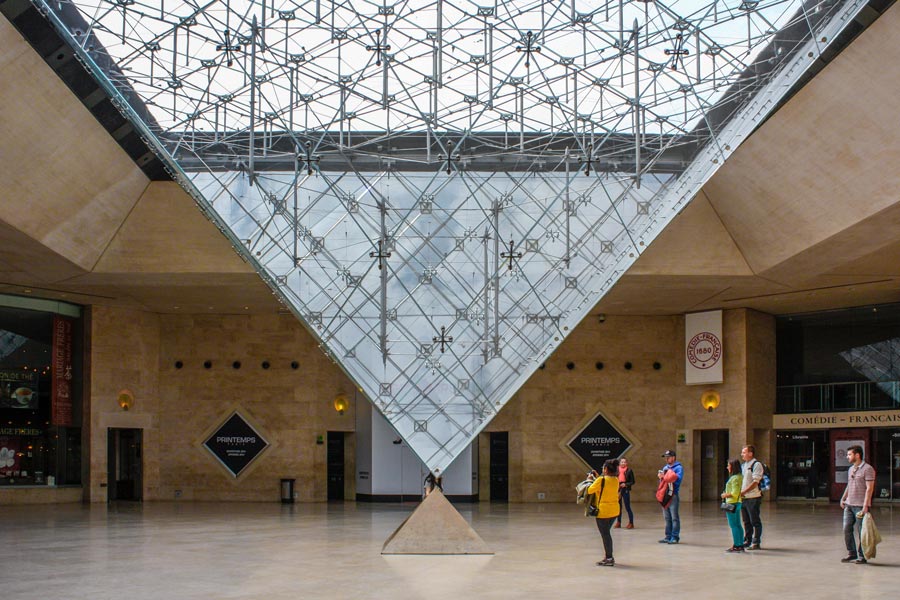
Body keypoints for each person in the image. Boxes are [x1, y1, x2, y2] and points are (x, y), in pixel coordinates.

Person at [839, 445, 875, 564]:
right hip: (849, 505)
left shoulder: (868, 469)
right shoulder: (851, 469)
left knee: (861, 532)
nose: (847, 456)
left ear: (857, 455)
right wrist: (843, 498)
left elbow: (869, 489)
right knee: (846, 529)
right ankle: (851, 552)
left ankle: (862, 555)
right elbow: (849, 485)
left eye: (849, 454)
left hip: (860, 506)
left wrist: (865, 506)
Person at [587, 459, 621, 566]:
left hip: (603, 511)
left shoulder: (601, 480)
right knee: (607, 532)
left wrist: (589, 480)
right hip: (614, 510)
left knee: (605, 534)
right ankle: (608, 557)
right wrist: (597, 477)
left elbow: (589, 490)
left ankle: (609, 558)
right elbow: (605, 485)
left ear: (605, 469)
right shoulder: (615, 480)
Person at [740, 445, 764, 550]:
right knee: (746, 521)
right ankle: (747, 540)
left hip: (753, 497)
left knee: (754, 520)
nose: (742, 454)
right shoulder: (744, 465)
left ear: (751, 453)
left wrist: (744, 491)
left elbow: (755, 481)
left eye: (744, 452)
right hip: (744, 498)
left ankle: (756, 542)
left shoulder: (756, 464)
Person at [658, 450, 683, 544]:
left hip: (673, 494)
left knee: (674, 517)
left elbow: (676, 480)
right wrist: (661, 478)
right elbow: (664, 481)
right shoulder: (665, 467)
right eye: (666, 457)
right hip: (665, 494)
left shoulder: (678, 468)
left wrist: (665, 477)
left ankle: (675, 536)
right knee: (667, 517)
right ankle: (668, 536)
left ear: (673, 457)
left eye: (668, 457)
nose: (667, 459)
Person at [721, 458, 745, 553]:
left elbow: (734, 493)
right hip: (738, 502)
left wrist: (725, 494)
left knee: (733, 525)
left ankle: (736, 545)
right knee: (738, 524)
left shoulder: (734, 478)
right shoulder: (740, 476)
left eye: (728, 465)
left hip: (731, 503)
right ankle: (740, 544)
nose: (727, 467)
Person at [615, 457, 635, 529]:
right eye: (622, 462)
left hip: (625, 488)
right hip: (618, 488)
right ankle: (618, 522)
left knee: (627, 506)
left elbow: (632, 481)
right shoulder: (616, 470)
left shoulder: (629, 470)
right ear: (619, 463)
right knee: (618, 507)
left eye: (624, 462)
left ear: (626, 463)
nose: (623, 463)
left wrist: (626, 484)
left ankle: (631, 522)